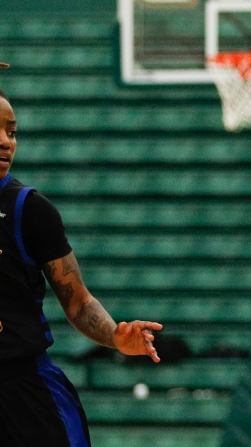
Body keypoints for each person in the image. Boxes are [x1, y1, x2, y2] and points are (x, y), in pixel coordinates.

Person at [0, 88, 163, 446]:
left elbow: (79, 303)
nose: (5, 142)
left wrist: (114, 335)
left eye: (12, 132)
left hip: (25, 393)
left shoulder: (29, 210)